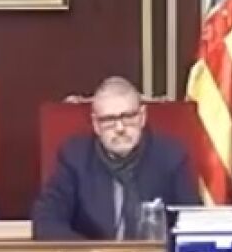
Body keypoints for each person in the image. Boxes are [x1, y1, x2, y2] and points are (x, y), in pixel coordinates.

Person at [32, 77, 200, 240]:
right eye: (109, 120)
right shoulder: (74, 157)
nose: (120, 128)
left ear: (142, 117)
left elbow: (193, 224)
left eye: (128, 117)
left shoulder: (171, 156)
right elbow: (46, 221)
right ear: (96, 124)